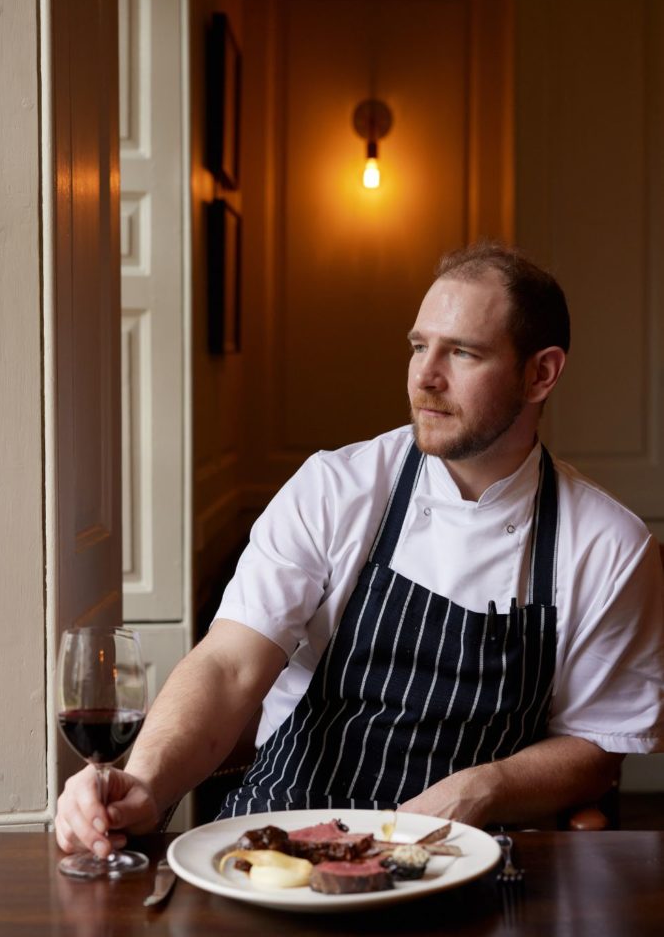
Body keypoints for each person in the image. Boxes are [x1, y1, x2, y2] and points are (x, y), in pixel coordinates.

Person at [55, 240, 664, 859]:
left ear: (541, 373)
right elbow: (228, 666)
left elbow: (595, 746)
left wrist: (484, 787)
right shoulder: (335, 489)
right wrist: (146, 784)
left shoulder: (609, 546)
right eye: (419, 345)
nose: (426, 376)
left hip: (460, 858)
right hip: (282, 839)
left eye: (463, 352)